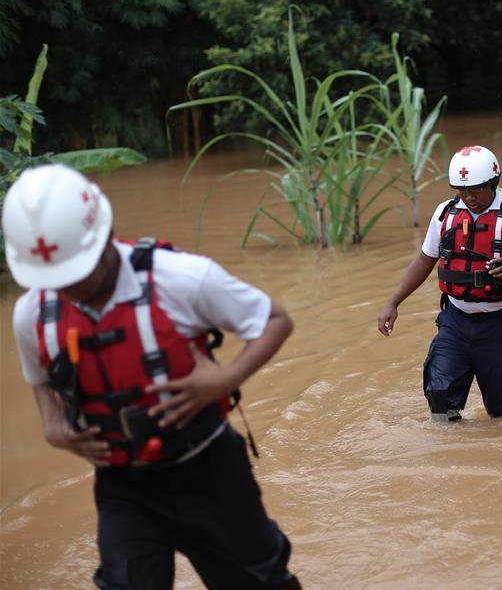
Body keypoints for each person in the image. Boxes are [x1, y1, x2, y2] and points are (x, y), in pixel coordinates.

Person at [4, 164, 301, 589]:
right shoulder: (33, 313)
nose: (66, 289)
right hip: (125, 486)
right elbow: (41, 380)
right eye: (54, 279)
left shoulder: (180, 278)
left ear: (105, 236)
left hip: (209, 467)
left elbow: (274, 319)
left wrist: (226, 379)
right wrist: (53, 429)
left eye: (76, 274)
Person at [377, 145, 502, 421]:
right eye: (462, 191)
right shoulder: (444, 213)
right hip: (455, 321)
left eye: (475, 190)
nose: (468, 197)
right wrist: (393, 302)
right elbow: (425, 261)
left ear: (493, 184)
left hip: (501, 324)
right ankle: (449, 458)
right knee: (440, 397)